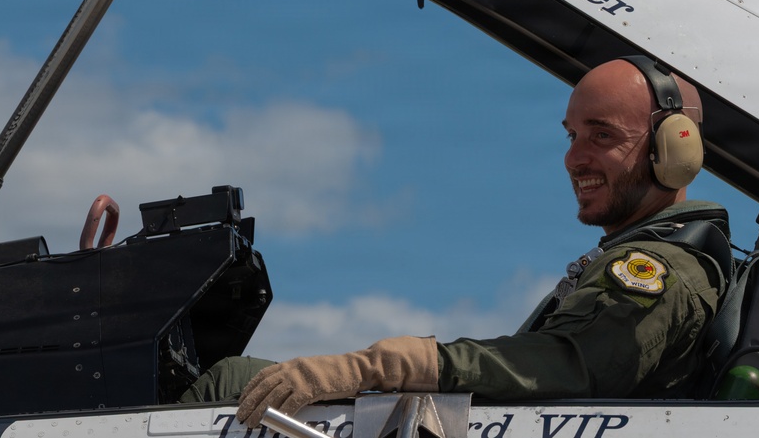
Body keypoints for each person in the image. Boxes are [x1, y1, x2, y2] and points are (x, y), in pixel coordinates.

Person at [179, 56, 731, 425]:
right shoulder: (651, 255)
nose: (574, 158)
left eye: (602, 135)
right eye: (571, 135)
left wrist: (387, 364)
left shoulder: (656, 272)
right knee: (238, 378)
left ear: (672, 150)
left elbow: (567, 366)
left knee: (227, 384)